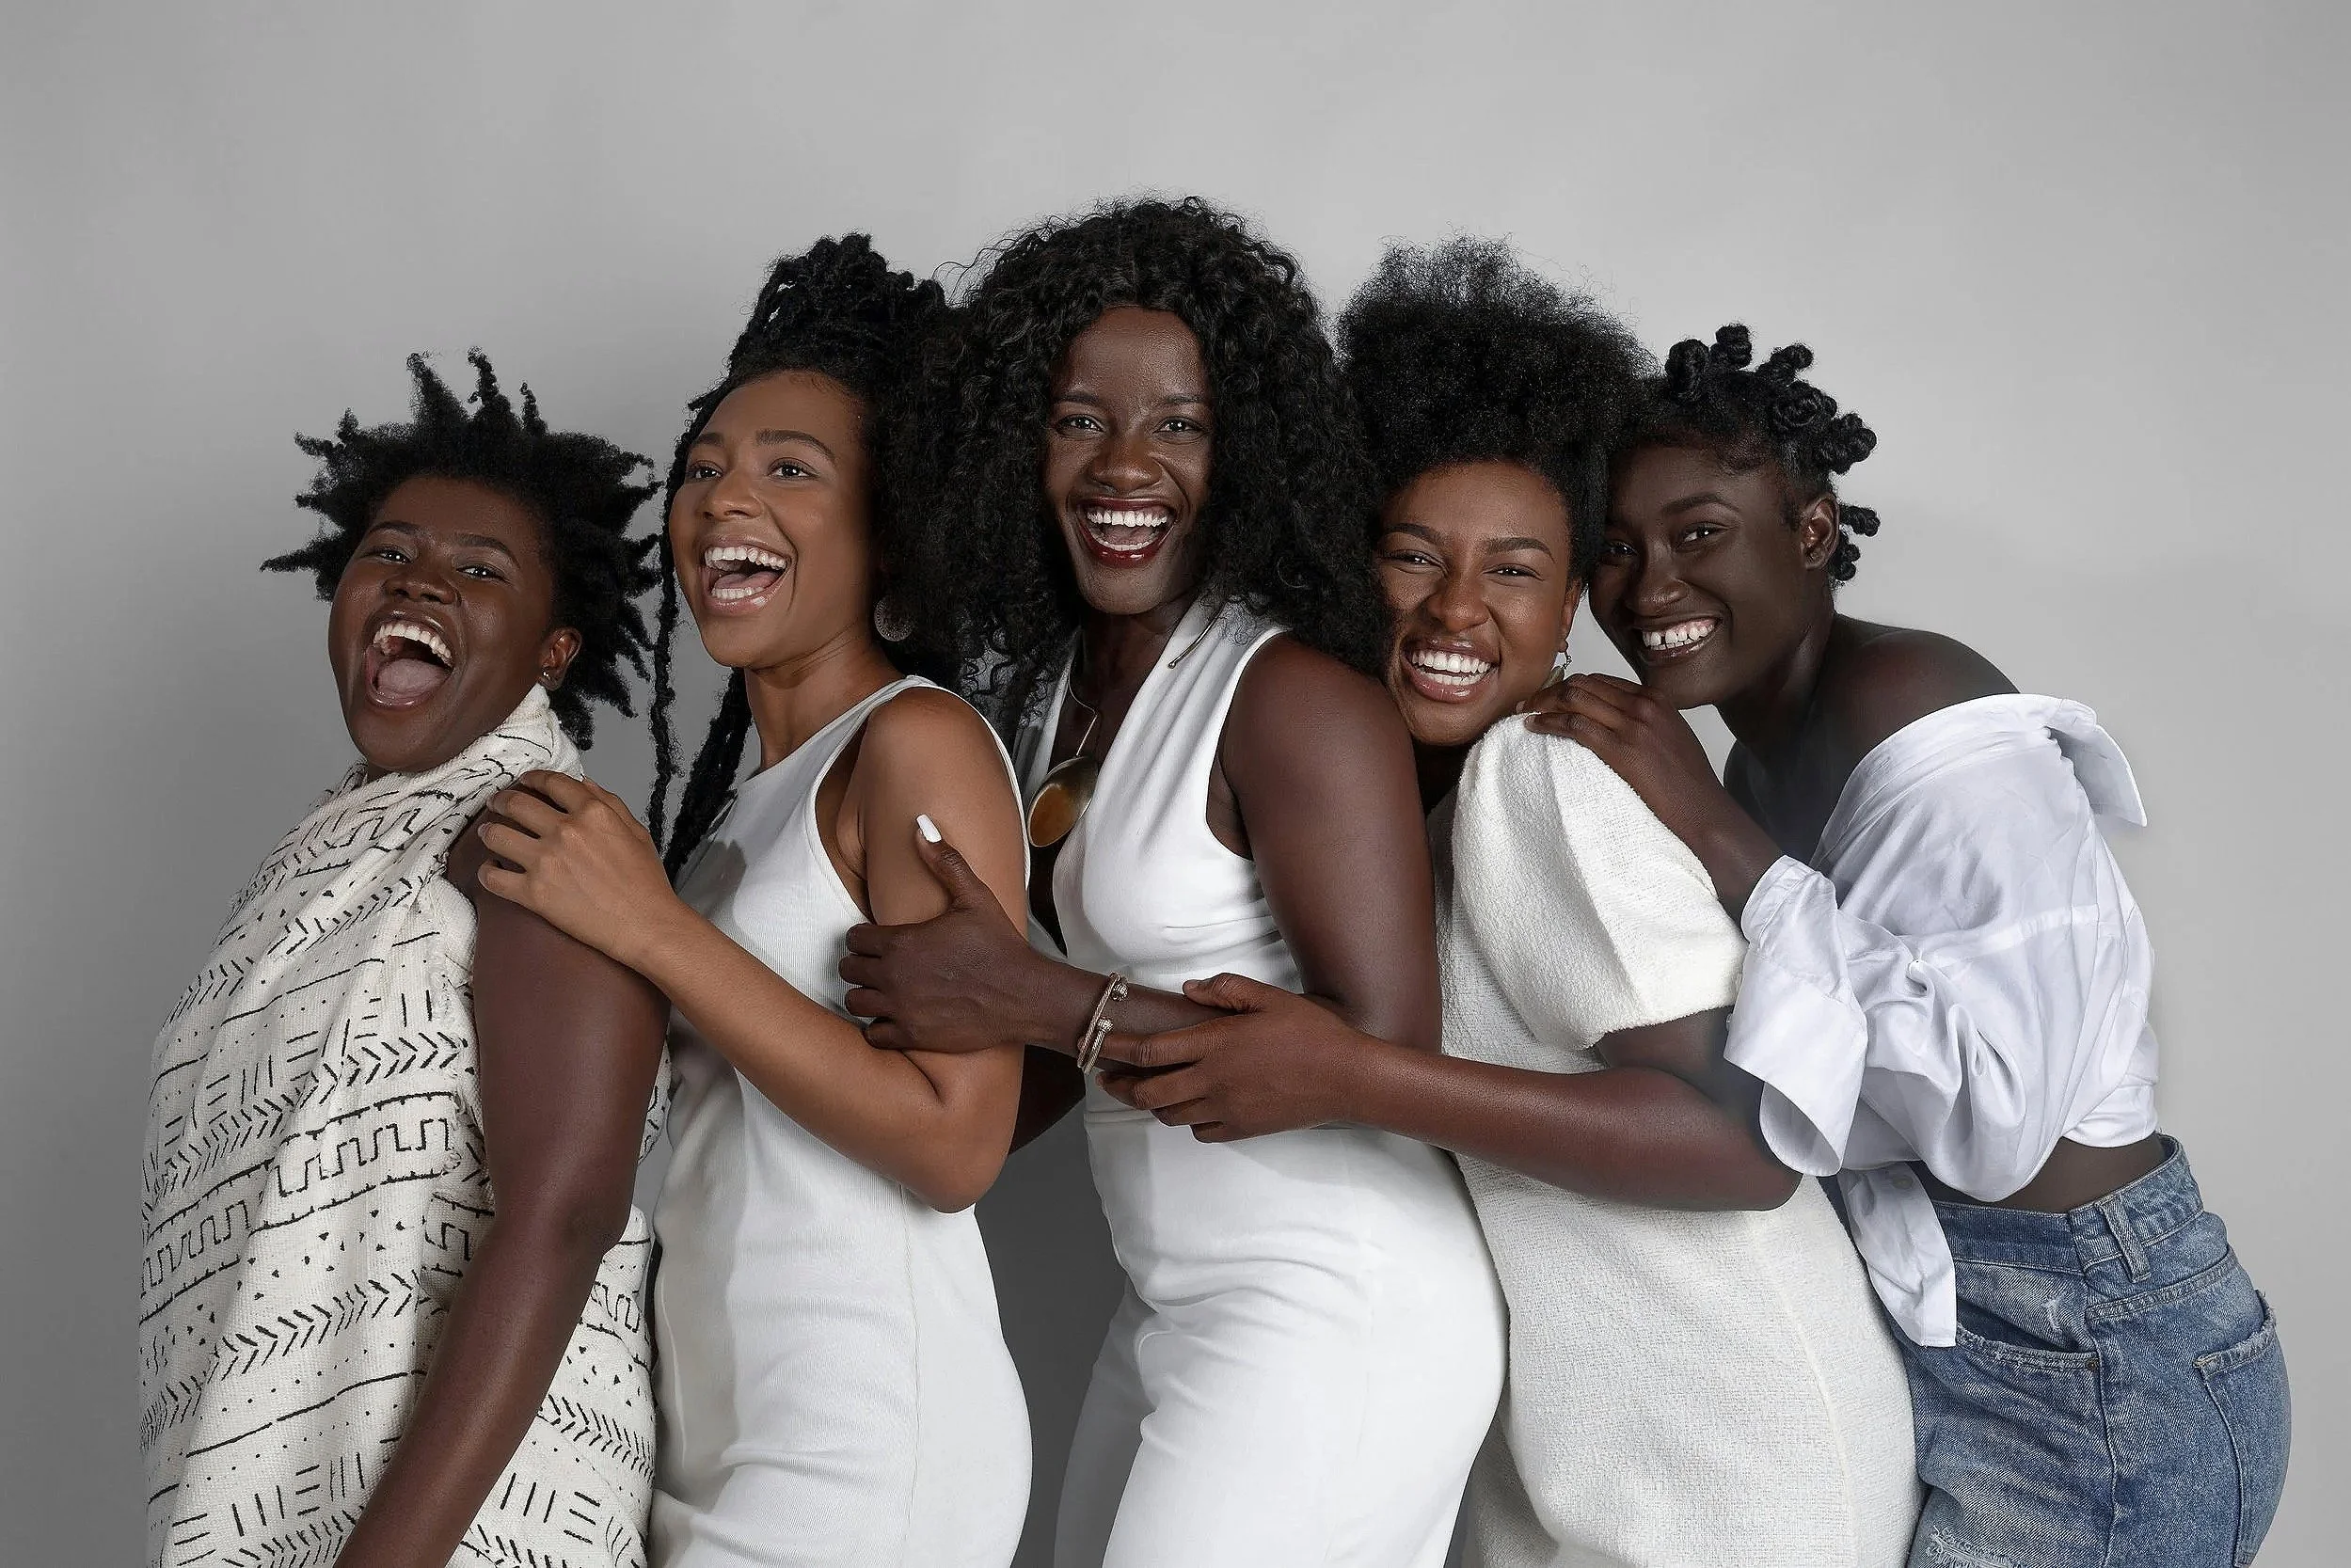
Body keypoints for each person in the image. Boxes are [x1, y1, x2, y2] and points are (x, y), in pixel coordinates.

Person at [1098, 241, 1921, 1567]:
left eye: (1515, 570)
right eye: (1412, 556)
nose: (1455, 610)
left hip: (1736, 1458)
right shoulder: (1403, 805)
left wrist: (1358, 1074)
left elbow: (1743, 1145)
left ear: (1567, 614)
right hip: (1584, 1454)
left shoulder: (1545, 778)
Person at [1527, 325, 2292, 1568]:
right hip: (1991, 1341)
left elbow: (1994, 1117)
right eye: (1614, 550)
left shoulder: (1918, 716)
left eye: (1698, 532)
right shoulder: (1762, 748)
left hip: (2091, 1365)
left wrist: (1721, 837)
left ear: (1812, 532)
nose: (1649, 587)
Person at [838, 199, 1503, 1568]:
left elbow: (1383, 1056)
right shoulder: (1053, 701)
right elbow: (1022, 1046)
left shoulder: (1289, 700)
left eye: (1180, 426)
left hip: (1335, 1303)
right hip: (1174, 1299)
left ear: (1247, 453)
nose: (1122, 466)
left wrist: (1031, 992)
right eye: (1079, 420)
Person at [473, 236, 1032, 1568]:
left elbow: (957, 1145)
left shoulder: (918, 742)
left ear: (891, 529)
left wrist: (653, 932)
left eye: (791, 468)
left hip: (858, 1428)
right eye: (708, 466)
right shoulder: (737, 808)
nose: (728, 499)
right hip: (716, 1424)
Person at [140, 353, 669, 1568]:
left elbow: (567, 1207)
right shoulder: (331, 850)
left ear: (553, 648)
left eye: (480, 570)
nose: (416, 581)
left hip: (455, 1530)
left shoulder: (535, 831)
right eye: (387, 552)